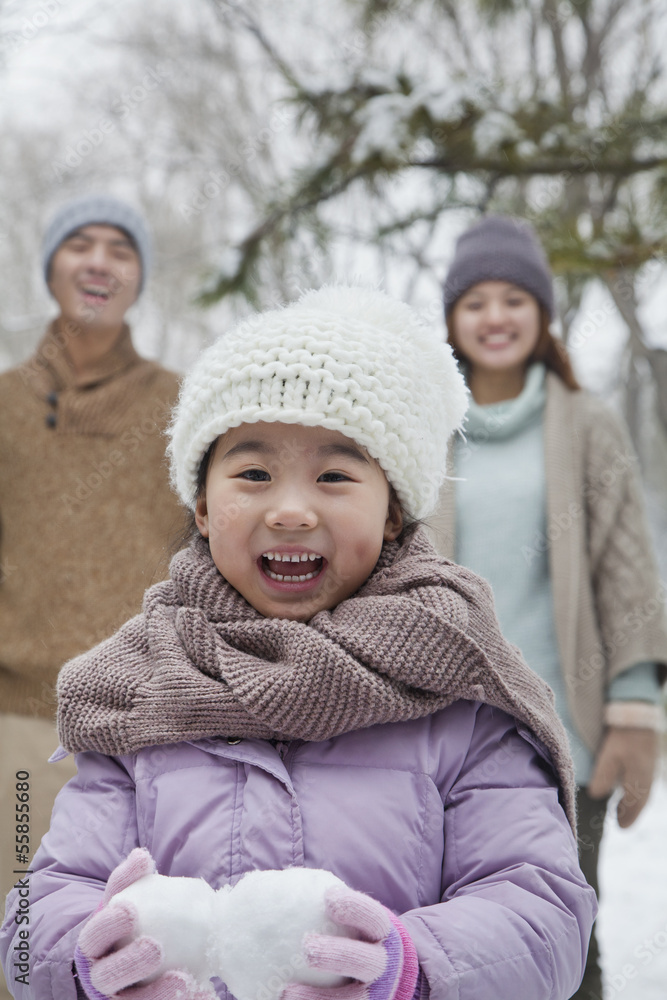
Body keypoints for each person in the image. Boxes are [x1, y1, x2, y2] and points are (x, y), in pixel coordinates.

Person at [0, 286, 596, 1000]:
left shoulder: (457, 690)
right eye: (252, 474)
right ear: (199, 504)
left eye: (334, 476)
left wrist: (408, 967)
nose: (289, 509)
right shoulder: (138, 689)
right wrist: (85, 958)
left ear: (395, 511)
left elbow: (543, 910)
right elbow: (35, 910)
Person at [429, 215, 667, 1000]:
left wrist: (633, 708)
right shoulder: (425, 428)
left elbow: (625, 573)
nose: (494, 317)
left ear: (539, 312)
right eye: (475, 302)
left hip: (562, 741)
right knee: (445, 940)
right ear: (451, 319)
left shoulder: (583, 423)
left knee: (563, 945)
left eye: (512, 299)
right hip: (440, 738)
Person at [0, 193, 184, 996]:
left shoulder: (182, 404)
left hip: (151, 721)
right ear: (52, 267)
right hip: (18, 719)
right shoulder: (4, 402)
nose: (100, 261)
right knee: (23, 928)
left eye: (121, 248)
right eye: (80, 245)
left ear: (139, 278)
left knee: (146, 942)